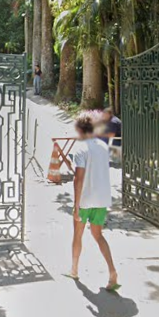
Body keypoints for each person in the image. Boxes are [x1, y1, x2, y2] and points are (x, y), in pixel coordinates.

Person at [64, 113, 120, 291]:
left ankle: (74, 269)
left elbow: (78, 179)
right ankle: (112, 271)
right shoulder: (103, 147)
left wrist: (76, 205)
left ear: (80, 130)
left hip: (85, 201)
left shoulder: (81, 149)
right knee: (98, 235)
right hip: (101, 200)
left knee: (78, 236)